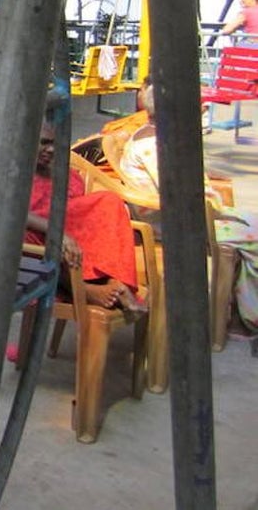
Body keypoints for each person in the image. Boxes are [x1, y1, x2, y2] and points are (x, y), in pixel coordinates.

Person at [119, 80, 258, 331]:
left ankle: (242, 310)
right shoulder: (154, 145)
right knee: (254, 234)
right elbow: (179, 192)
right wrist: (213, 199)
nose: (203, 112)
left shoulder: (159, 136)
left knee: (251, 225)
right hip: (165, 222)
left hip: (175, 215)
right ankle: (247, 315)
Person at [28, 121, 141, 310]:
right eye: (44, 143)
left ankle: (115, 283)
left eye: (55, 145)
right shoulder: (14, 174)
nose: (51, 150)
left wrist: (65, 234)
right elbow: (11, 216)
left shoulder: (67, 176)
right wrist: (58, 234)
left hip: (69, 240)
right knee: (29, 237)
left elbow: (79, 217)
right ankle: (81, 289)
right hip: (34, 239)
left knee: (109, 201)